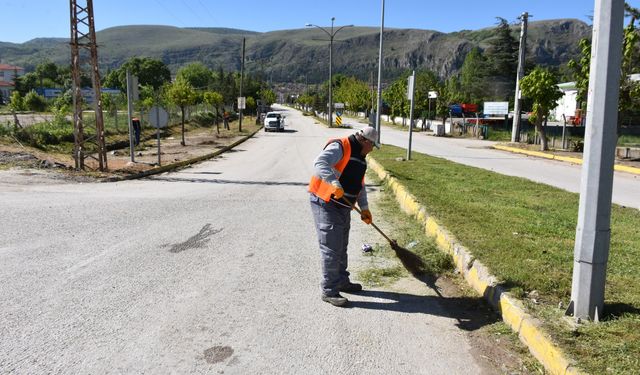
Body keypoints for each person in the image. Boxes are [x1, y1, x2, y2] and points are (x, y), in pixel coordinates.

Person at [308, 126, 379, 307]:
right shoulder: (341, 146)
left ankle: (341, 280)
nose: (372, 150)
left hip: (344, 206)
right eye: (372, 145)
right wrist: (333, 182)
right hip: (325, 201)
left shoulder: (361, 158)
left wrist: (364, 208)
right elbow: (320, 163)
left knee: (341, 244)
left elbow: (360, 184)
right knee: (331, 247)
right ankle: (329, 290)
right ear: (364, 140)